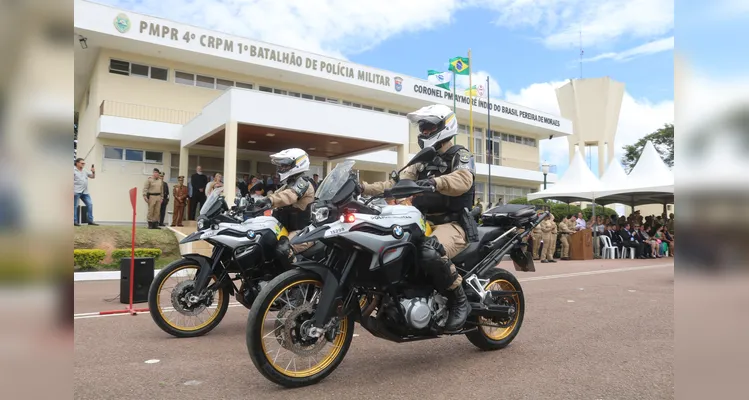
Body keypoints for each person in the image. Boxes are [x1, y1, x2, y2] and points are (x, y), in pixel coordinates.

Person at [358, 104, 476, 332]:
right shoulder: (422, 160)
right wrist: (362, 188)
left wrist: (435, 182)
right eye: (422, 127)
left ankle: (459, 299)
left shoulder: (460, 155)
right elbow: (395, 183)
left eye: (429, 127)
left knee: (429, 251)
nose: (425, 132)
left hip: (452, 224)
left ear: (445, 127)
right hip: (423, 223)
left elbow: (464, 180)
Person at [253, 148, 315, 257]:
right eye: (281, 165)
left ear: (298, 164)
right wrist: (255, 204)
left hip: (301, 231)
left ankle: (295, 273)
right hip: (286, 228)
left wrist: (270, 201)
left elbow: (289, 196)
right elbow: (276, 194)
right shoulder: (290, 183)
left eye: (285, 165)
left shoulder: (303, 183)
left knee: (282, 249)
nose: (281, 168)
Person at [73, 158, 99, 226]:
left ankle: (90, 221)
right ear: (77, 163)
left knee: (90, 204)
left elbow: (92, 177)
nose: (83, 164)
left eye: (84, 163)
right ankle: (74, 221)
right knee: (75, 206)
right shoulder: (73, 170)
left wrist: (93, 172)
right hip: (76, 191)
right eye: (82, 163)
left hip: (85, 192)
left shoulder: (84, 170)